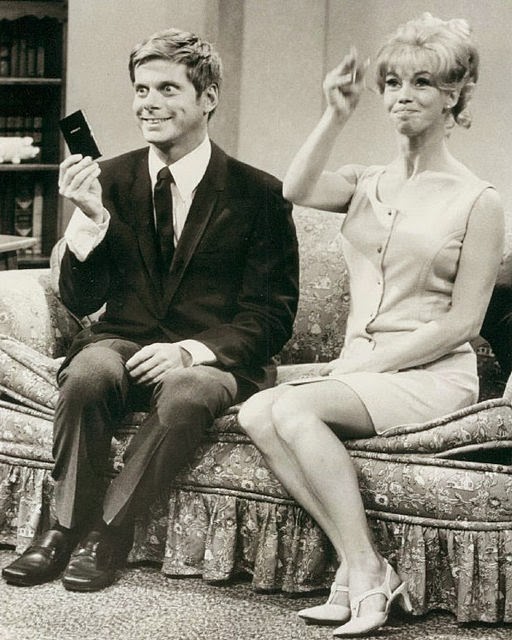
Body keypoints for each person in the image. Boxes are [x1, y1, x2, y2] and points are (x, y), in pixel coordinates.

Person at [2, 28, 299, 592]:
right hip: (124, 340)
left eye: (167, 89)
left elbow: (271, 317)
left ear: (208, 97)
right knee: (88, 372)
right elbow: (82, 301)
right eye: (141, 90)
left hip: (212, 358)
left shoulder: (259, 193)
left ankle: (109, 532)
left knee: (186, 391)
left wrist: (189, 351)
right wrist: (91, 220)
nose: (148, 104)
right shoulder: (109, 180)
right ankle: (63, 527)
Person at [238, 13, 504, 637]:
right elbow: (295, 188)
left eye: (422, 83)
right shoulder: (365, 182)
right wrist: (335, 113)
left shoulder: (479, 201)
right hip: (362, 368)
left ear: (454, 96)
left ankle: (360, 572)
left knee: (291, 408)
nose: (402, 96)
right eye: (392, 83)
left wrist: (363, 364)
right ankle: (366, 566)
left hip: (431, 375)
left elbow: (463, 322)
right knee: (255, 412)